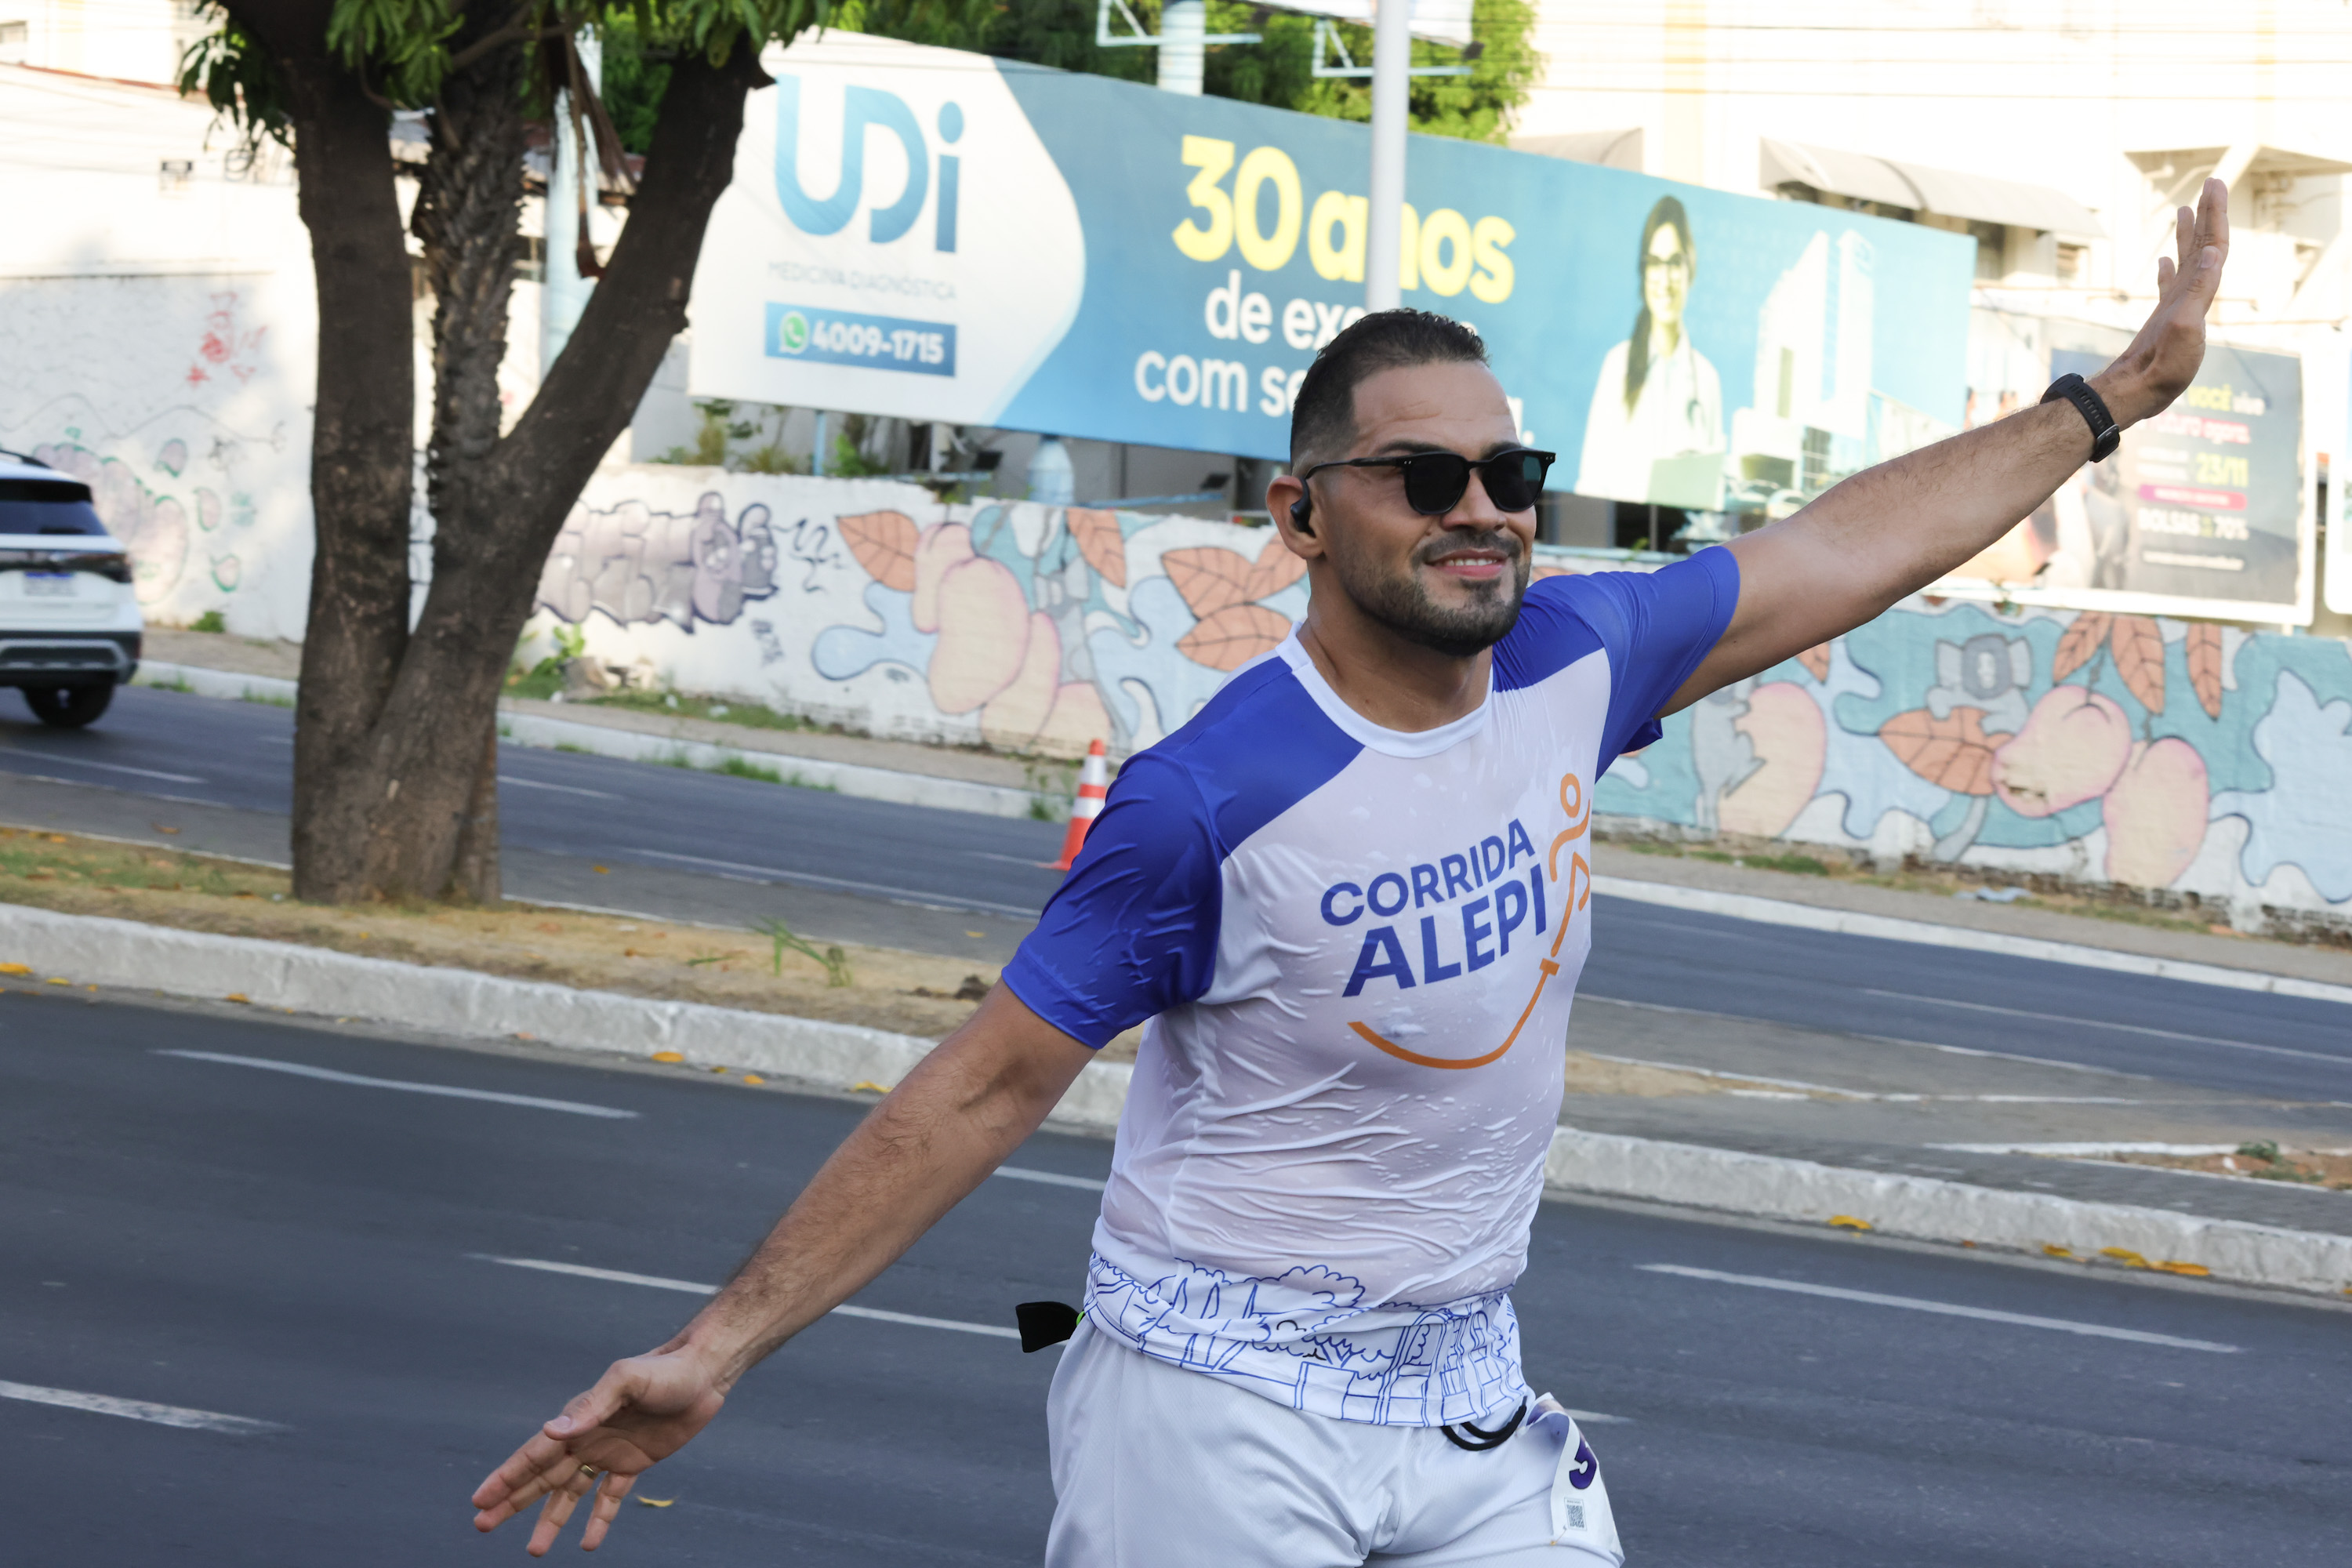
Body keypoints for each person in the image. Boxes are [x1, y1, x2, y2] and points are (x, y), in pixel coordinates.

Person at [470, 182, 2231, 1565]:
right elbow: (983, 1086)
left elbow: (1839, 542)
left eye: (1511, 472)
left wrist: (2108, 399)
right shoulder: (1209, 797)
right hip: (1210, 1411)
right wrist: (716, 1346)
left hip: (1468, 1392)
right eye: (1423, 475)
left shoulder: (1577, 656)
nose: (1484, 507)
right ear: (1304, 512)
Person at [1574, 197, 1725, 508]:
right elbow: (1591, 479)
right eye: (1655, 263)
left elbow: (1714, 492)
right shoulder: (1618, 366)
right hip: (1619, 541)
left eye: (1674, 262)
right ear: (1643, 274)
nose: (1665, 279)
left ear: (1690, 269)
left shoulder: (1707, 379)